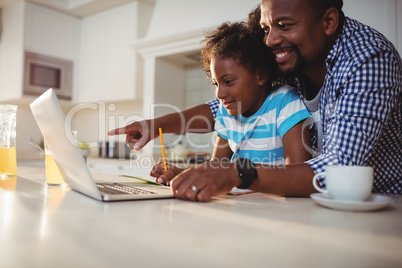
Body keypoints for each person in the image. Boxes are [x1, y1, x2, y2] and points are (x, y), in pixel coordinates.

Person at [108, 0, 402, 201]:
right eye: (266, 28)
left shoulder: (368, 59)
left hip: (383, 207)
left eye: (284, 25)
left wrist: (238, 172)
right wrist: (154, 125)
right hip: (316, 205)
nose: (271, 40)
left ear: (328, 22)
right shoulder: (293, 59)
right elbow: (222, 109)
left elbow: (337, 169)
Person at [150, 21, 312, 198]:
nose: (219, 93)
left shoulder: (284, 101)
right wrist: (184, 174)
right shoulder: (225, 111)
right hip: (241, 204)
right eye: (216, 83)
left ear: (261, 75)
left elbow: (297, 173)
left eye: (228, 82)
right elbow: (217, 168)